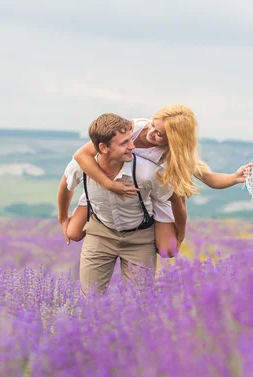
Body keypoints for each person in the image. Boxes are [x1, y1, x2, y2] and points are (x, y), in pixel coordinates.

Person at [62, 104, 253, 257]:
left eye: (160, 134)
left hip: (147, 192)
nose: (151, 132)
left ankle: (146, 227)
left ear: (174, 140)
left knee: (168, 251)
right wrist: (109, 186)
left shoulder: (175, 152)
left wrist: (234, 178)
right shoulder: (131, 129)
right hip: (108, 183)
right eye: (153, 124)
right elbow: (80, 157)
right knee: (73, 233)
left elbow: (210, 179)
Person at [57, 113, 175, 296]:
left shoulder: (148, 172)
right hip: (100, 232)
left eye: (130, 139)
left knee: (140, 304)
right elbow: (66, 185)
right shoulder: (82, 165)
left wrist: (178, 234)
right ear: (103, 148)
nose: (133, 146)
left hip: (140, 238)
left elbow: (170, 199)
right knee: (90, 300)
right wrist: (63, 218)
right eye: (124, 143)